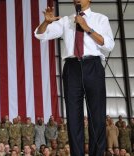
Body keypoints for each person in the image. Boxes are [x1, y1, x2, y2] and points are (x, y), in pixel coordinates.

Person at [34, 0, 115, 154]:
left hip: (93, 66)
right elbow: (40, 34)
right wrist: (45, 22)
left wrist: (87, 28)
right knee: (73, 117)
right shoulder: (66, 21)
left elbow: (109, 45)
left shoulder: (100, 19)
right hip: (72, 68)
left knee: (97, 117)